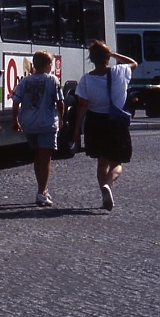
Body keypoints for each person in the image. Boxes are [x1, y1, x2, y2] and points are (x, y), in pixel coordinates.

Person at [74, 40, 137, 211]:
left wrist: (76, 129)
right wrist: (113, 54)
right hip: (115, 122)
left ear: (91, 59)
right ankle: (108, 184)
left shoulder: (86, 79)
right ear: (107, 58)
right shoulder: (120, 72)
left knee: (101, 161)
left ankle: (104, 197)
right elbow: (133, 63)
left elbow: (82, 105)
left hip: (95, 121)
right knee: (117, 163)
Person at [10, 51, 65, 207]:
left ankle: (42, 189)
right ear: (47, 65)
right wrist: (61, 119)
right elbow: (60, 102)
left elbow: (16, 101)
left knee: (37, 156)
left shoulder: (25, 81)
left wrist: (15, 120)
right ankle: (41, 192)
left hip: (29, 123)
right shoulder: (52, 80)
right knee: (45, 158)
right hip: (47, 123)